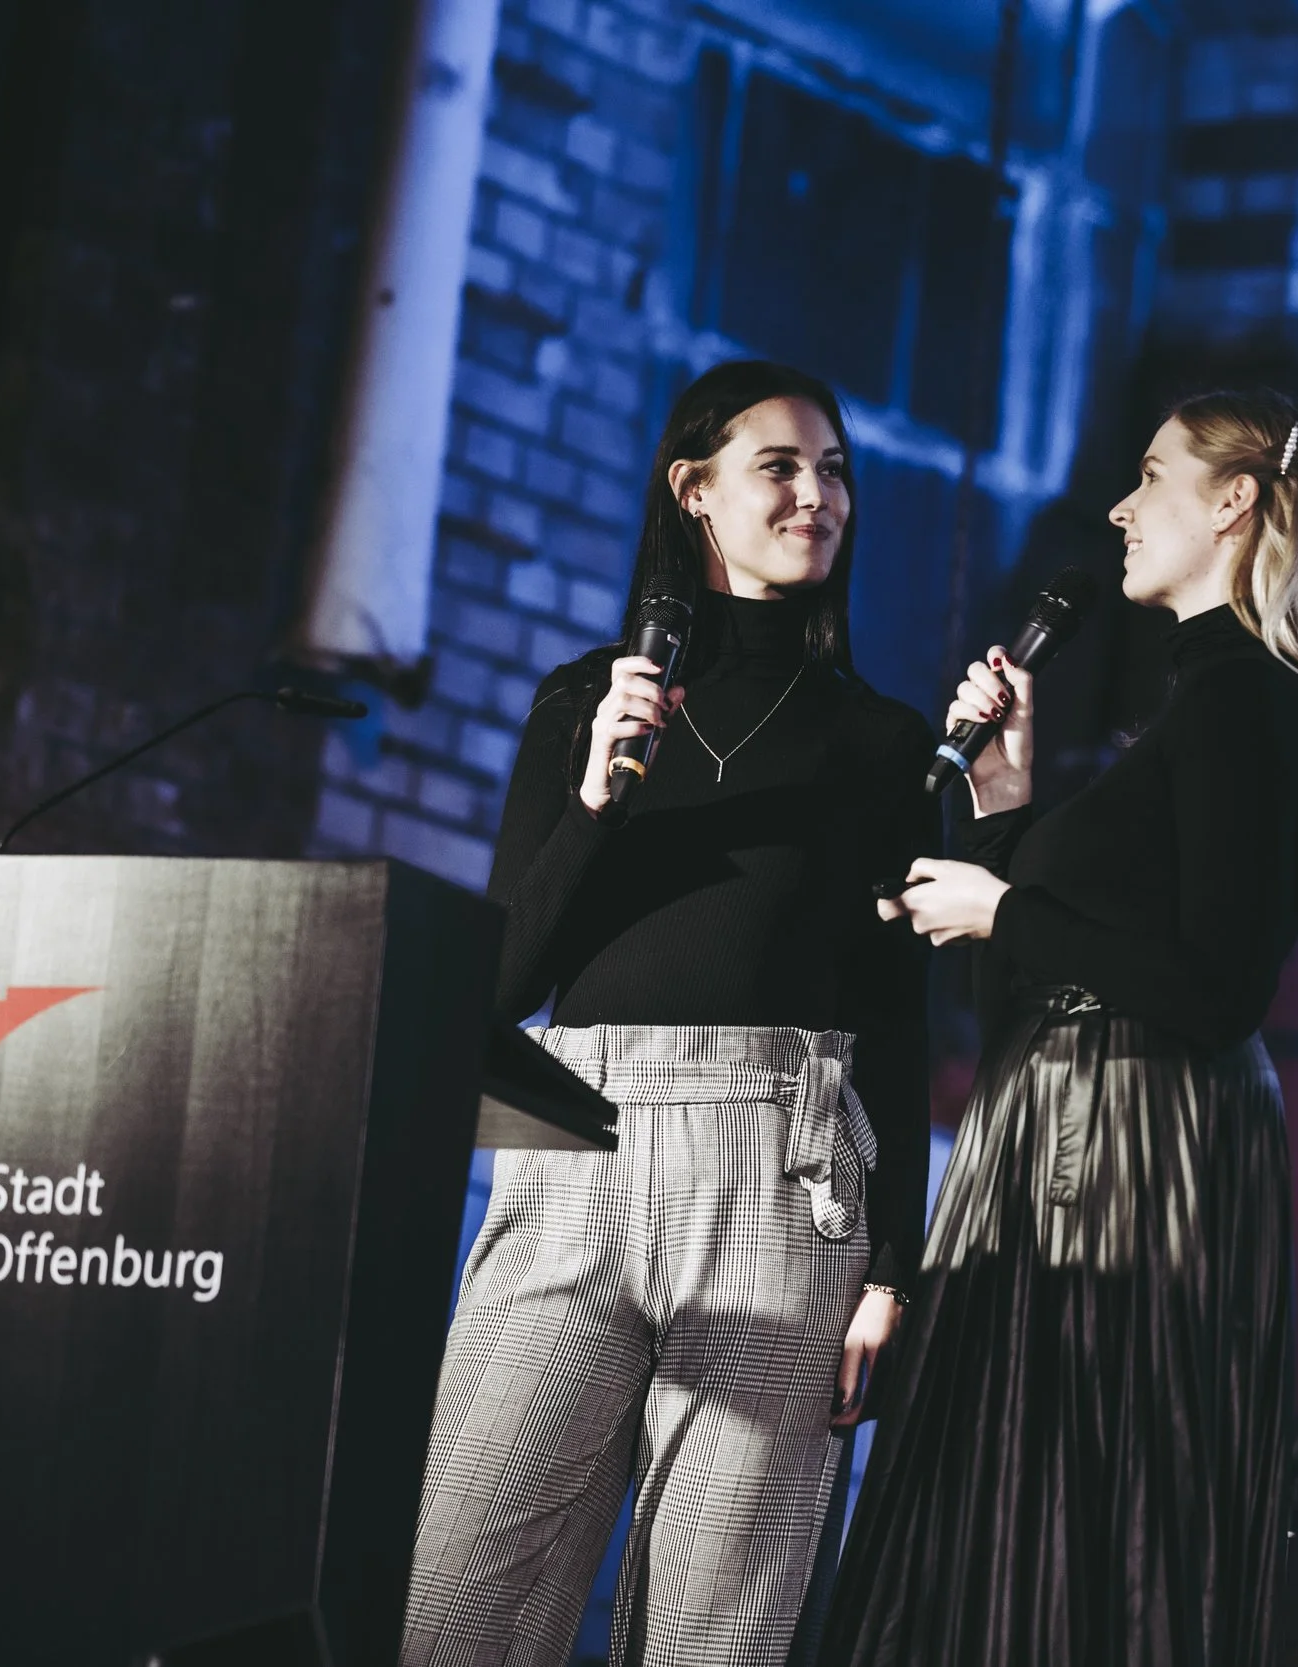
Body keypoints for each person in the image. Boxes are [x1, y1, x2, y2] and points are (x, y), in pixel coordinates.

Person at [821, 389, 1298, 1666]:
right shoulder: (1203, 705)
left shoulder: (1254, 703)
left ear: (1234, 501)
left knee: (1068, 1506)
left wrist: (1003, 906)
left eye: (1152, 476)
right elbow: (1043, 974)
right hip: (1064, 1118)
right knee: (1010, 1507)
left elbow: (1214, 987)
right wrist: (1005, 801)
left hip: (1126, 1145)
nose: (1121, 509)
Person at [402, 360, 937, 1667]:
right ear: (694, 488)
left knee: (718, 1632)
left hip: (783, 1178)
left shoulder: (880, 742)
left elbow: (896, 1018)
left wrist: (893, 1270)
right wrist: (597, 798)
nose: (818, 496)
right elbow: (498, 985)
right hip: (574, 1158)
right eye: (781, 467)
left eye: (835, 471)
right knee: (455, 1605)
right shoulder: (583, 702)